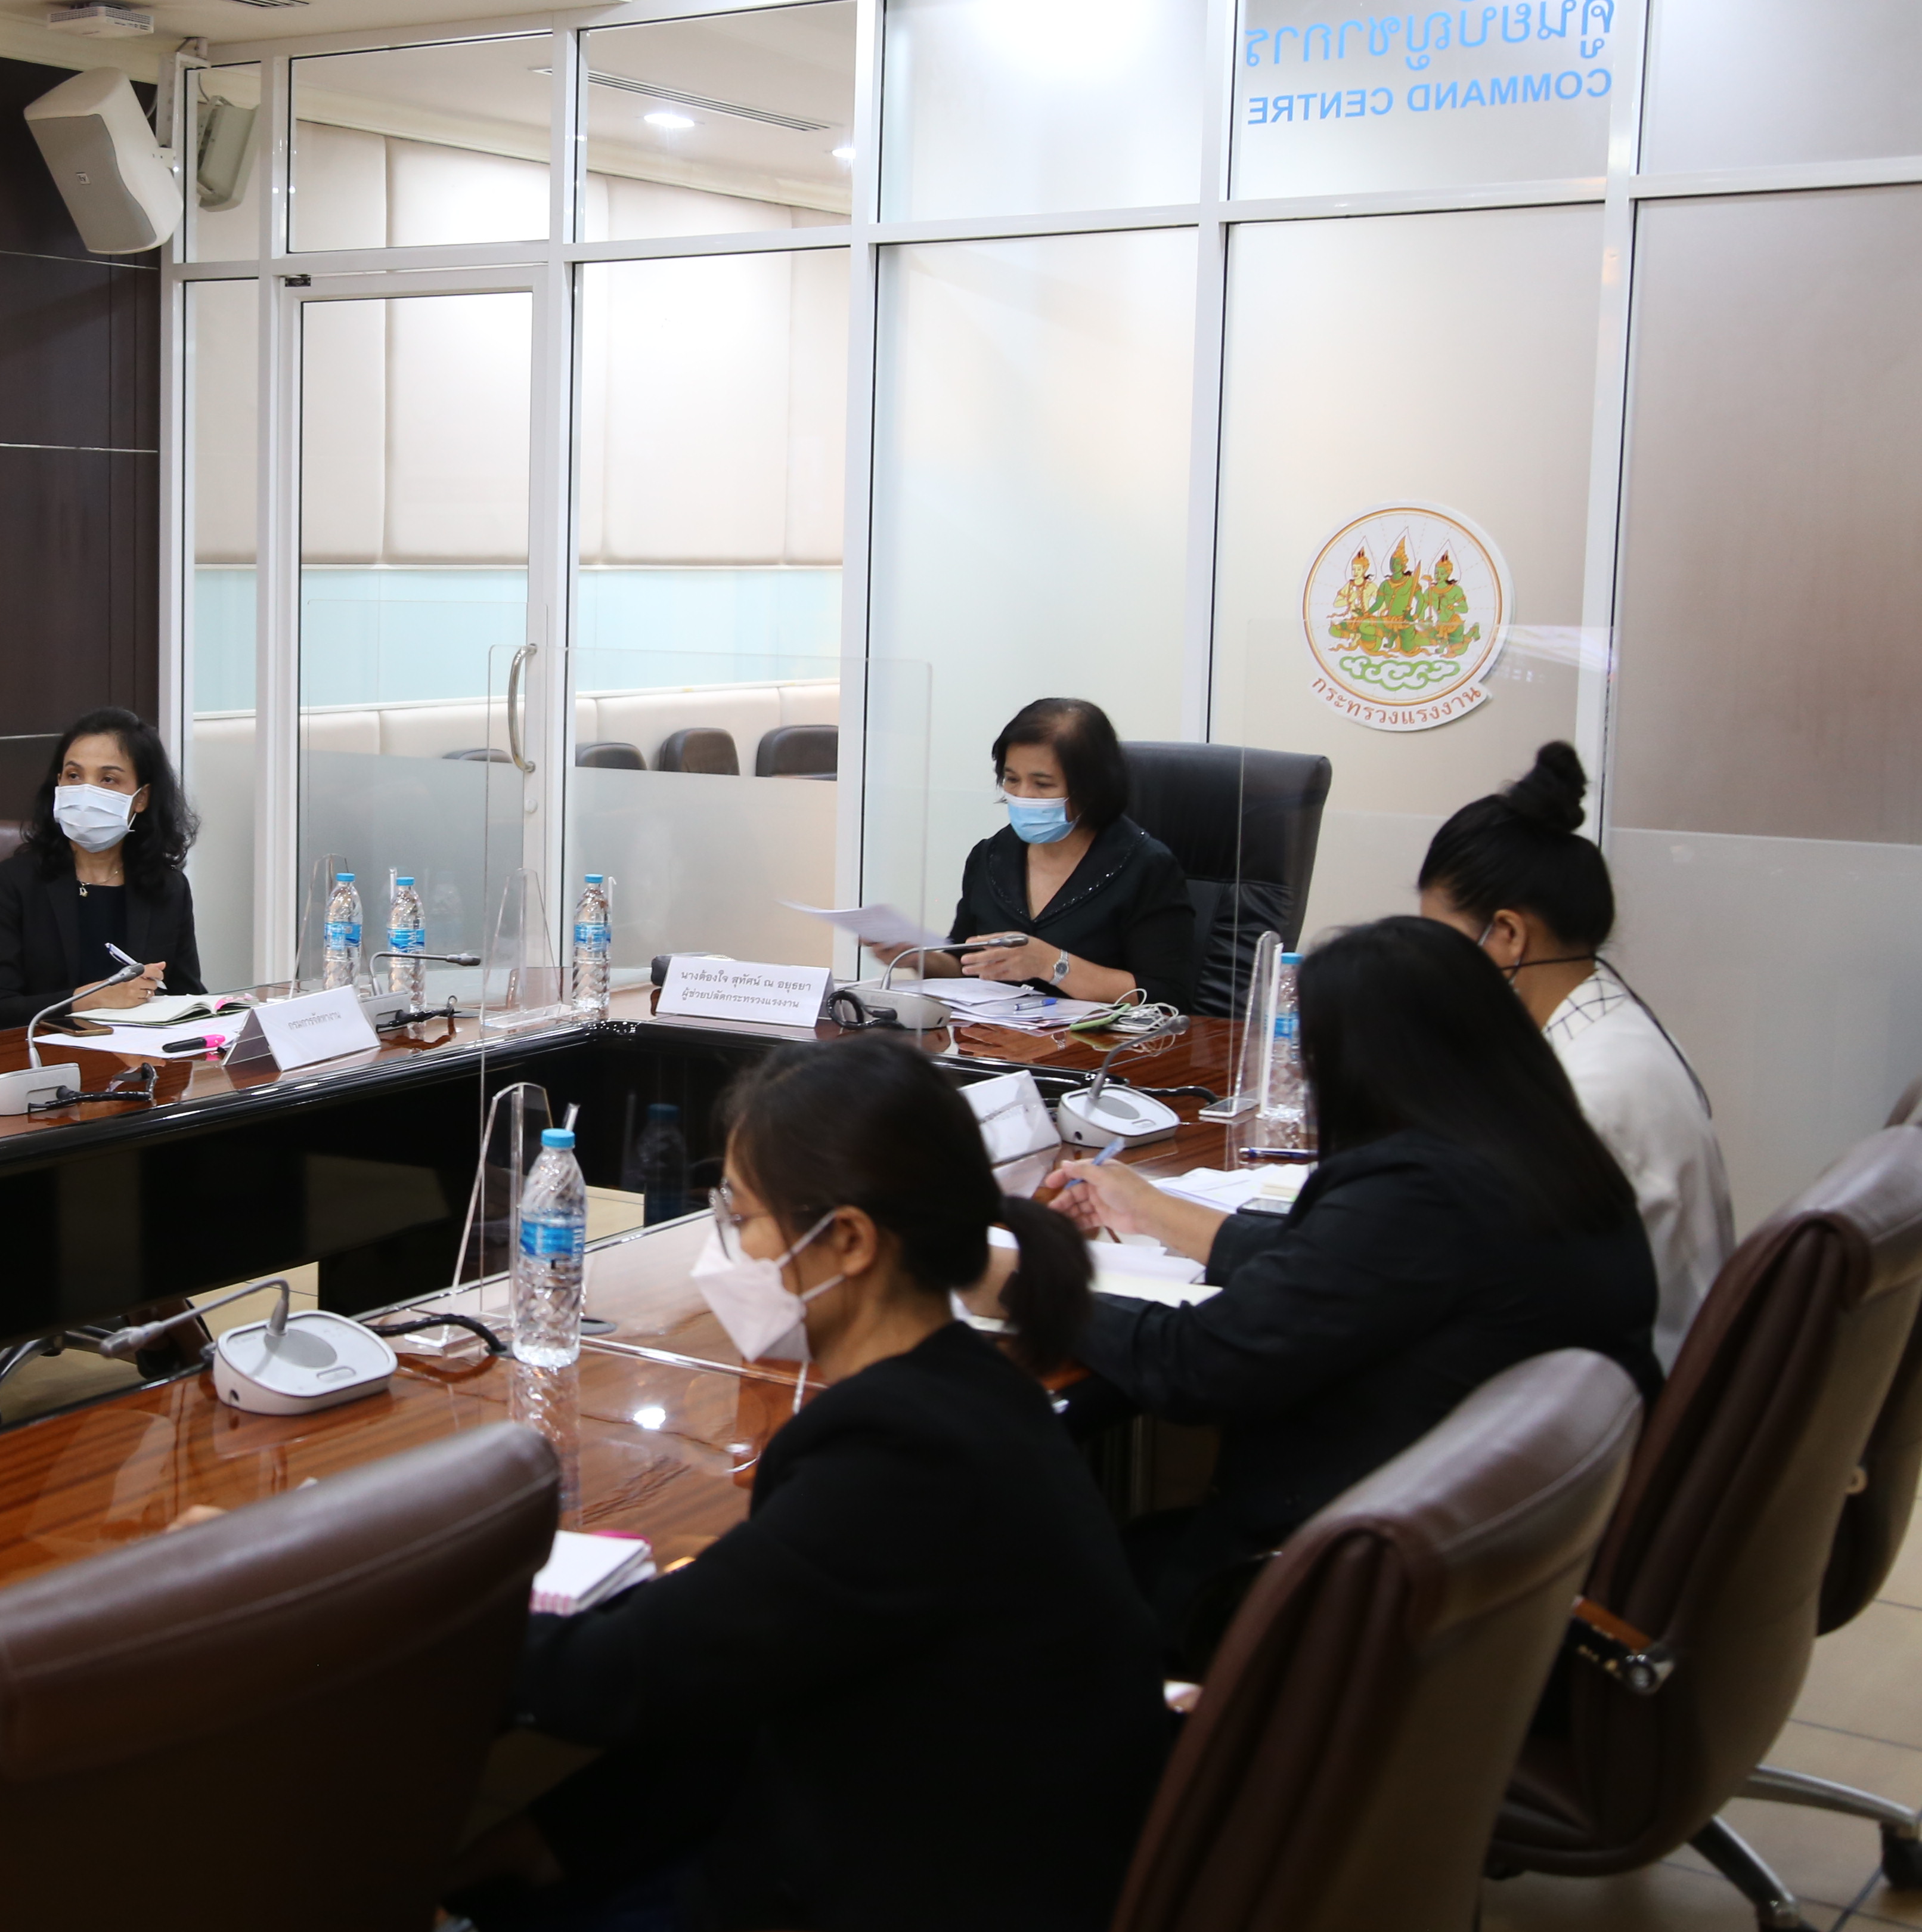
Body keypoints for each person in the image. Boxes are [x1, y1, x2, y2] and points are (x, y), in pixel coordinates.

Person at [461, 1037, 1173, 1932]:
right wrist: (550, 1838)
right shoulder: (979, 1390)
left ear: (848, 1240)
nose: (731, 1245)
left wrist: (420, 1624)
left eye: (742, 1214)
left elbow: (634, 1669)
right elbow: (758, 1670)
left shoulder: (900, 1457)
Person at [1054, 915, 1660, 1665]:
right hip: (1493, 1578)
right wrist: (1150, 1210)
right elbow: (1341, 1266)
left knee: (1026, 1590)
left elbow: (1196, 1364)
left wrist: (1028, 1285)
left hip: (1328, 1605)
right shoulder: (1545, 1155)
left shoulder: (1417, 1193)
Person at [1418, 741, 1732, 1367]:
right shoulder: (1611, 1020)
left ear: (1509, 934)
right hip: (1632, 1367)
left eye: (1442, 943)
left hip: (1620, 1392)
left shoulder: (1590, 1094)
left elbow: (1488, 1284)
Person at [937, 698, 1198, 1013]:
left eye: (1042, 784)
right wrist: (915, 956)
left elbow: (1167, 997)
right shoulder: (990, 856)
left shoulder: (1147, 867)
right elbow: (966, 963)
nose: (1023, 796)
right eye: (1012, 779)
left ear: (1091, 788)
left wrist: (1053, 965)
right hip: (996, 1036)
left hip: (1096, 1041)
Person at [0, 707, 205, 1032]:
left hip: (139, 1052)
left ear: (142, 798)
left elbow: (187, 995)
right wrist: (92, 998)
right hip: (44, 1053)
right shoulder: (10, 884)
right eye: (74, 776)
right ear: (58, 784)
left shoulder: (167, 887)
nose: (85, 792)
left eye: (108, 779)